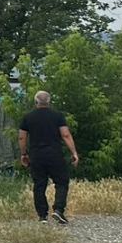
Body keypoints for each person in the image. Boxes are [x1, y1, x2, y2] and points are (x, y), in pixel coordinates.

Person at [19, 91, 79, 224]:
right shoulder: (57, 116)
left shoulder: (28, 117)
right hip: (55, 155)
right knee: (62, 182)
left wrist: (24, 154)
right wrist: (74, 152)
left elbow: (22, 137)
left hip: (36, 155)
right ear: (49, 102)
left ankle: (42, 216)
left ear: (36, 102)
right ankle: (58, 210)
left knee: (39, 184)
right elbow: (65, 135)